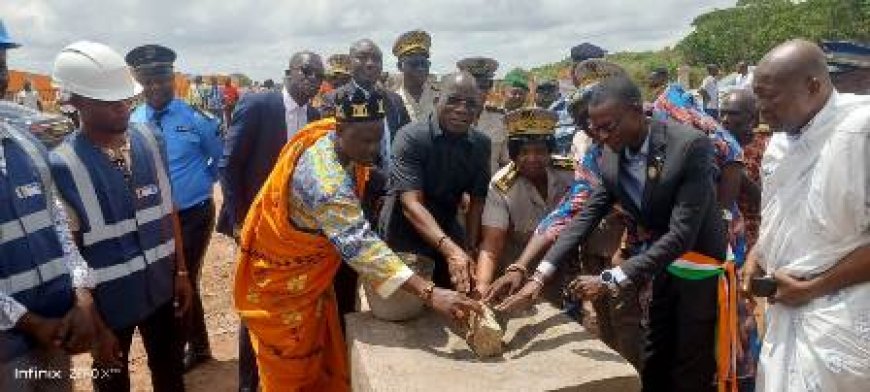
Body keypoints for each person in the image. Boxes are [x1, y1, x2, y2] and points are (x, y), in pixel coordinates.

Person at [233, 86, 481, 392]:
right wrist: (432, 294)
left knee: (318, 347)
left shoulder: (329, 137)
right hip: (284, 282)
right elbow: (362, 247)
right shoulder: (326, 183)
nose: (373, 149)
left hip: (312, 273)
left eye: (378, 138)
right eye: (365, 140)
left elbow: (373, 180)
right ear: (340, 130)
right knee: (290, 364)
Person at [496, 76, 732, 391]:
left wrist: (609, 279)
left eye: (608, 127)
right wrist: (536, 276)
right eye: (594, 130)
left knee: (691, 359)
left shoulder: (688, 145)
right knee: (655, 351)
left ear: (636, 111)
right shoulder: (610, 154)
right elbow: (584, 216)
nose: (601, 136)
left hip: (697, 264)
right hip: (660, 265)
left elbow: (682, 234)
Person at [48, 41, 193, 392]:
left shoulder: (149, 138)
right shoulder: (62, 166)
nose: (122, 107)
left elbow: (167, 208)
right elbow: (71, 252)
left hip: (162, 289)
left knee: (170, 375)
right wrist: (96, 328)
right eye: (107, 101)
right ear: (76, 102)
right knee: (112, 384)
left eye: (125, 98)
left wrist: (182, 272)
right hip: (110, 307)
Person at [484, 60, 642, 368]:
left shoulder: (672, 132)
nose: (596, 132)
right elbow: (567, 216)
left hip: (657, 257)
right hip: (584, 259)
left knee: (638, 331)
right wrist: (521, 268)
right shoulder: (595, 158)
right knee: (612, 327)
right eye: (587, 125)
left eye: (603, 122)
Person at [744, 39, 870, 392]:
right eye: (758, 96)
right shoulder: (780, 143)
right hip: (787, 311)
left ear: (812, 86)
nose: (761, 109)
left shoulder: (861, 130)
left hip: (846, 320)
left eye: (771, 97)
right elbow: (782, 217)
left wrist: (813, 287)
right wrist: (757, 256)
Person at [217, 50, 323, 392]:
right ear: (288, 72)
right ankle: (248, 384)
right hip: (254, 227)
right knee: (256, 309)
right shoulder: (259, 106)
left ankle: (279, 377)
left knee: (289, 306)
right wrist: (238, 222)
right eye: (305, 71)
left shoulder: (317, 117)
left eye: (318, 75)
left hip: (293, 233)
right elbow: (229, 165)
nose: (311, 79)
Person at [0, 27, 98, 392]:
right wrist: (29, 322)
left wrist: (82, 295)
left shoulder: (26, 145)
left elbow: (57, 224)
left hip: (55, 330)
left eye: (0, 66)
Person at [125, 44, 223, 372]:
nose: (155, 87)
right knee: (166, 280)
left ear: (173, 78)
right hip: (156, 218)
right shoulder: (134, 121)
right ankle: (199, 344)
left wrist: (200, 183)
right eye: (147, 81)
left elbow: (219, 158)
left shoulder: (197, 118)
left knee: (184, 277)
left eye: (161, 80)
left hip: (193, 213)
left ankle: (186, 348)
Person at [379, 72, 490, 293]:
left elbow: (477, 201)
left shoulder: (481, 144)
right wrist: (452, 251)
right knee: (409, 303)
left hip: (446, 224)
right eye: (454, 100)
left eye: (471, 104)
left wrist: (468, 247)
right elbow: (412, 205)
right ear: (438, 100)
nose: (462, 109)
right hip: (404, 230)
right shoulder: (410, 137)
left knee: (458, 292)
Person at [473, 107, 574, 300]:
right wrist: (482, 288)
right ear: (512, 154)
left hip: (558, 255)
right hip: (515, 260)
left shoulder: (570, 171)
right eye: (524, 152)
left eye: (540, 151)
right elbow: (492, 243)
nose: (532, 159)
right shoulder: (501, 185)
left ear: (550, 151)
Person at [322, 39, 410, 173]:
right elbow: (327, 151)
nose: (370, 64)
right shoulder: (333, 100)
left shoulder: (394, 100)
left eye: (376, 59)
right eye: (362, 58)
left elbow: (405, 141)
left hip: (394, 184)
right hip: (352, 184)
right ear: (350, 64)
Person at [550, 43, 608, 156]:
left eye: (593, 70)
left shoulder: (621, 103)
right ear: (573, 72)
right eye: (582, 69)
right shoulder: (557, 109)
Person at [456, 57, 505, 174]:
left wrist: (500, 190)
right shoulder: (447, 120)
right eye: (472, 86)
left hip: (491, 189)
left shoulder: (500, 121)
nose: (477, 92)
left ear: (489, 88)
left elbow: (505, 162)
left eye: (483, 86)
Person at [393, 30, 439, 123]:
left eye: (424, 64)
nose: (420, 69)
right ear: (400, 66)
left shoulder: (441, 97)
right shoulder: (392, 100)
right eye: (414, 63)